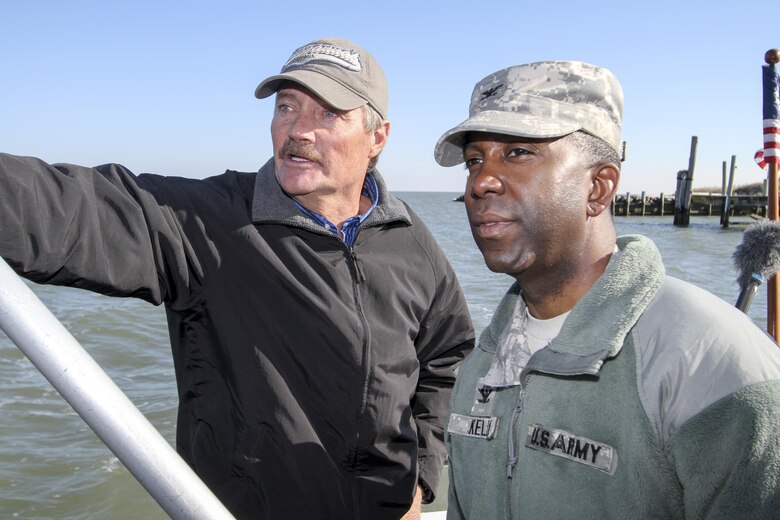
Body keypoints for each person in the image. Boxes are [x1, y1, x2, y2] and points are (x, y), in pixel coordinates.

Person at [0, 37, 475, 519]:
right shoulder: (208, 221)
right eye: (286, 107)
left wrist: (420, 475)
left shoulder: (410, 241)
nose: (299, 130)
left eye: (328, 113)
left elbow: (446, 357)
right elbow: (71, 207)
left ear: (377, 137)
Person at [435, 61, 780, 518]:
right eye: (475, 160)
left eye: (518, 152)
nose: (480, 181)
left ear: (598, 188)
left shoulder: (713, 366)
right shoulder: (483, 366)